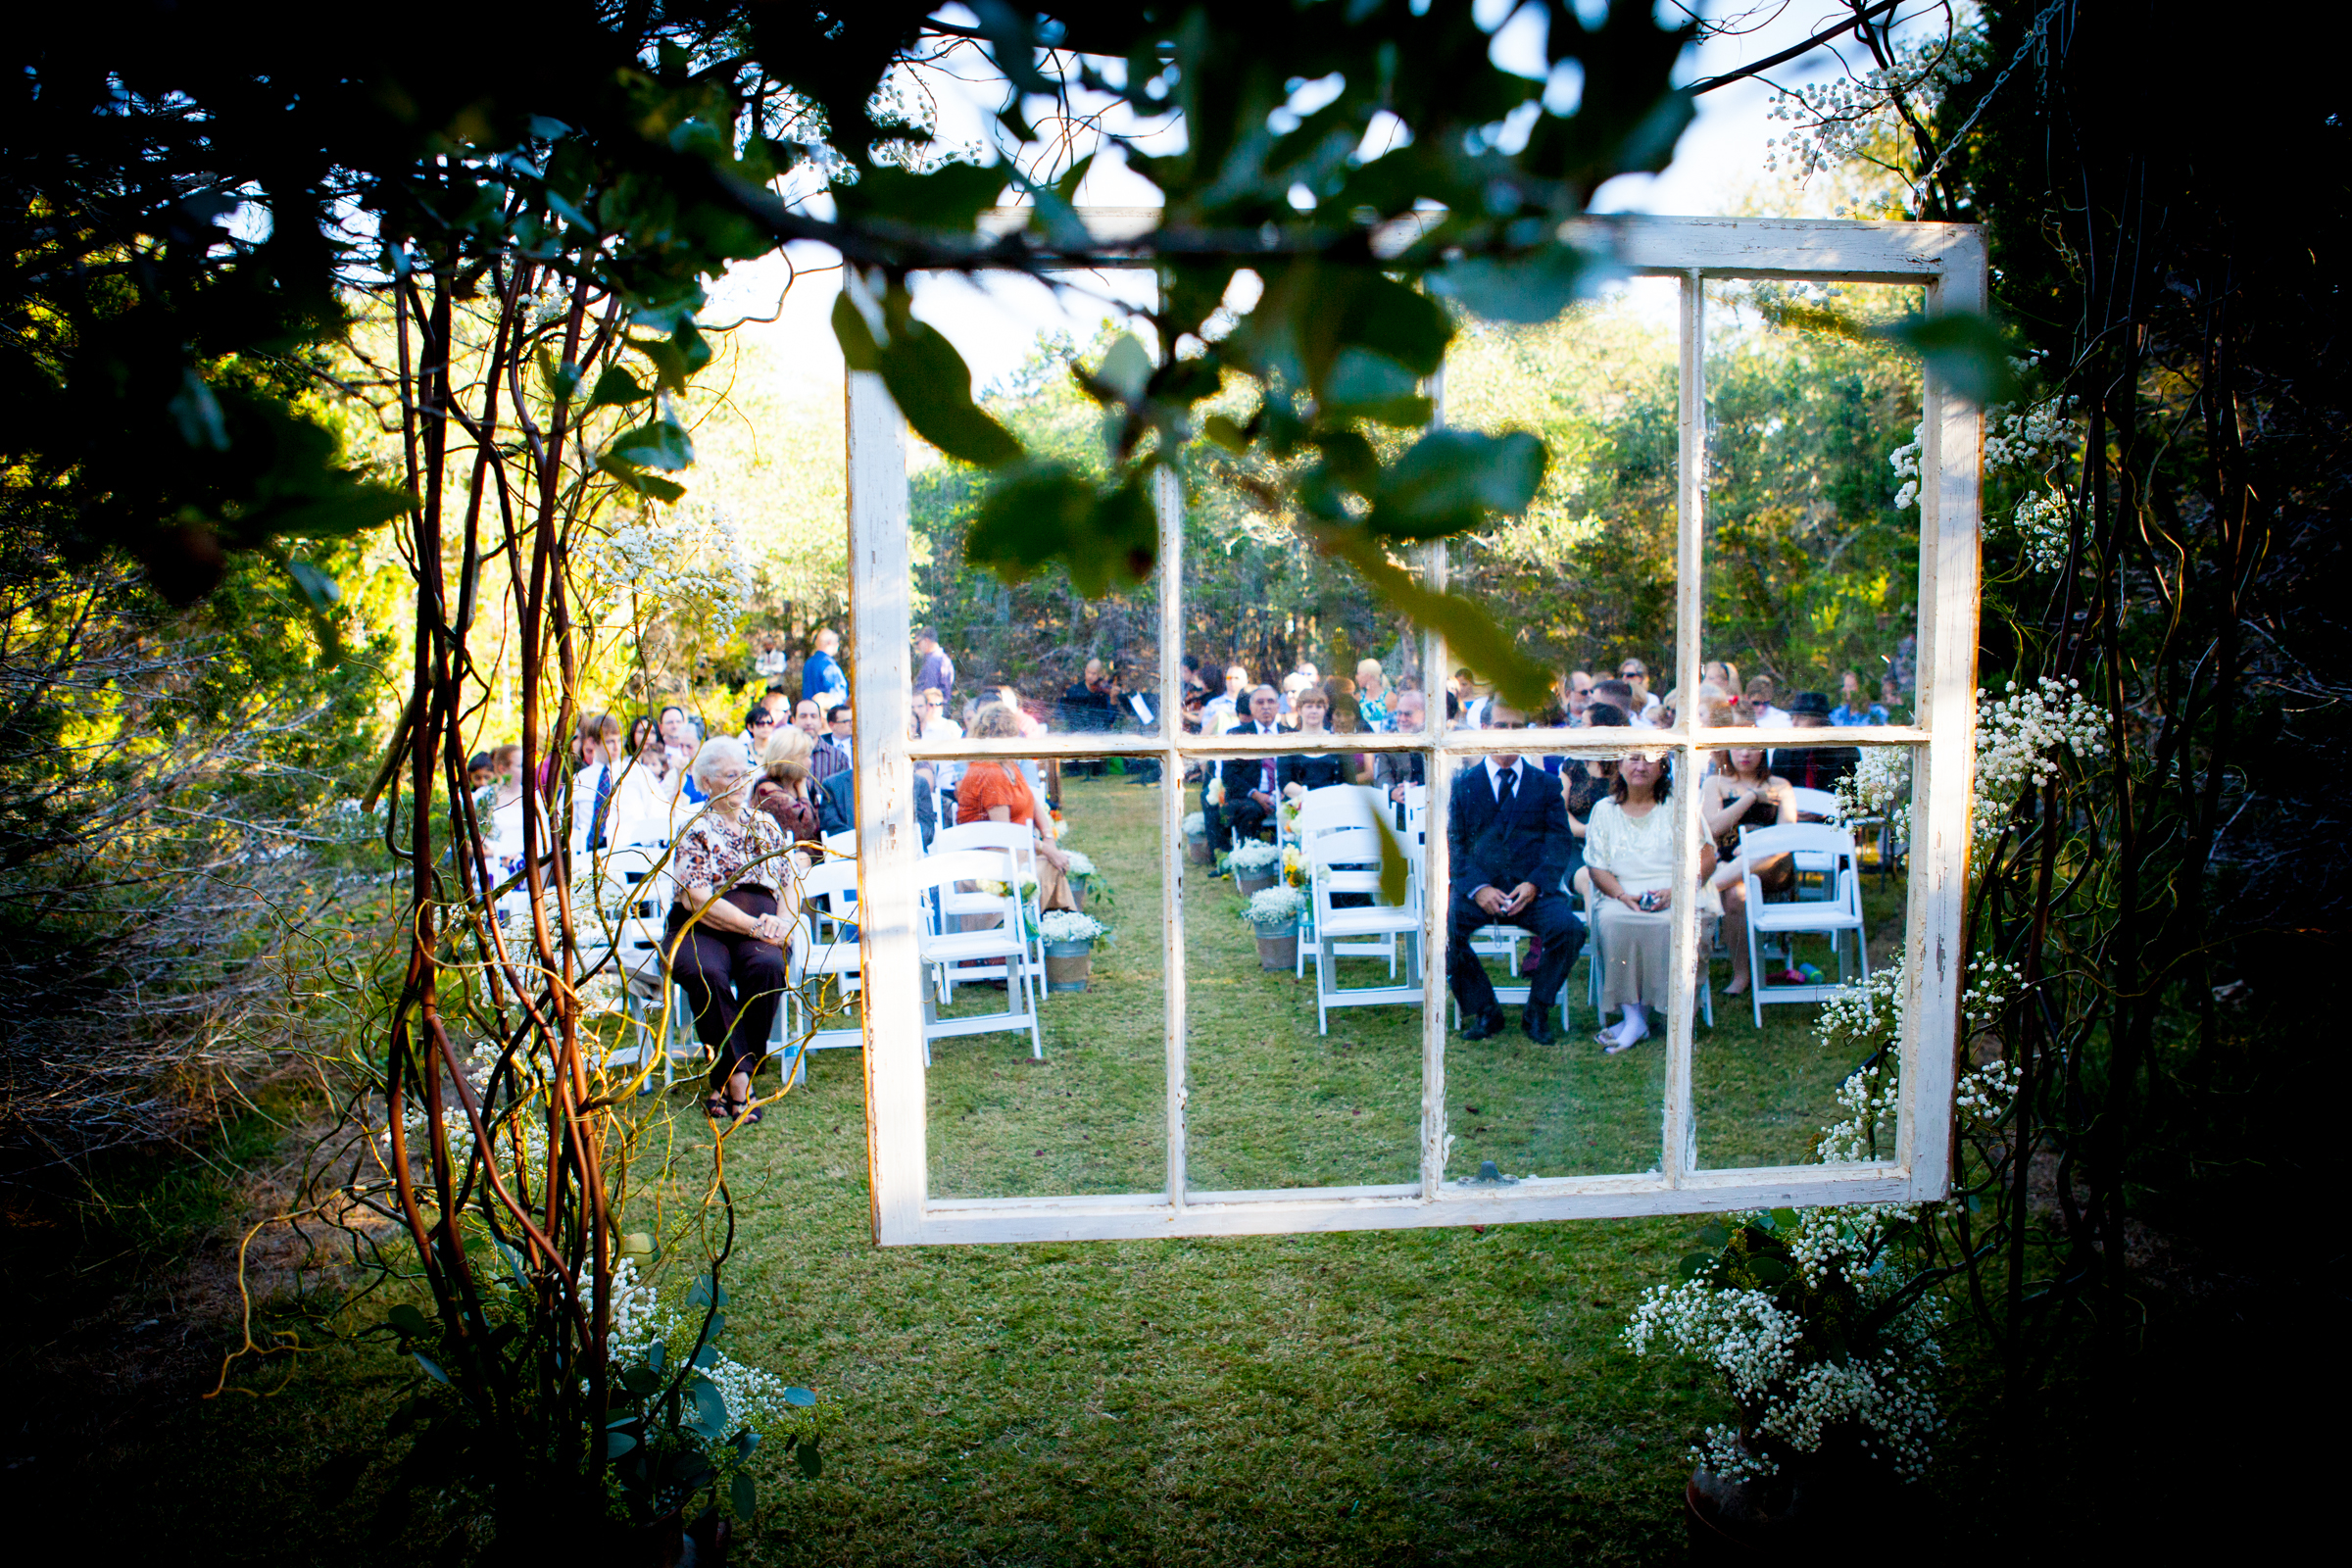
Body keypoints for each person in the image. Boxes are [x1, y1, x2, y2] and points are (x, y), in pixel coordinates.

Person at [668, 741, 798, 1125]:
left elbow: (789, 883)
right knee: (705, 972)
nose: (741, 782)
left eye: (745, 773)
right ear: (706, 782)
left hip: (760, 925)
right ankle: (741, 1080)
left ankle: (724, 1078)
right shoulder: (695, 827)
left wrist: (785, 925)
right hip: (702, 925)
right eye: (730, 775)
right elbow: (697, 898)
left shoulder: (764, 825)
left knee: (768, 967)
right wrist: (754, 925)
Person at [1446, 703, 1585, 1045]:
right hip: (1481, 893)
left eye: (1516, 726)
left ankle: (1537, 1010)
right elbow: (1455, 845)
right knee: (1442, 932)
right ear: (1485, 729)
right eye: (1500, 726)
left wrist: (1535, 884)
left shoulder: (1546, 785)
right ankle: (1485, 1010)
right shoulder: (1463, 785)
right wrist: (1478, 888)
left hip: (1532, 891)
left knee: (1569, 930)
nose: (1508, 734)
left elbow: (1558, 842)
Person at [1585, 752, 1718, 1054]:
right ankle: (1633, 1018)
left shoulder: (1678, 805)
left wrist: (1676, 890)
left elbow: (1707, 856)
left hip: (1676, 890)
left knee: (1669, 924)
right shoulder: (1603, 810)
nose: (1641, 766)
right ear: (1619, 765)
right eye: (1633, 759)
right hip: (1623, 893)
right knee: (1613, 920)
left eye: (1649, 760)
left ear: (1662, 768)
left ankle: (1650, 1019)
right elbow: (1596, 867)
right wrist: (1621, 895)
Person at [1701, 729, 1798, 995]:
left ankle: (1707, 888)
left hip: (1771, 864)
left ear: (1764, 751)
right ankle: (1741, 974)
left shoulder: (1781, 786)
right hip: (1726, 862)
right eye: (1739, 746)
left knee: (1756, 856)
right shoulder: (1715, 783)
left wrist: (1751, 849)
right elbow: (1712, 828)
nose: (1745, 753)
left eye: (1753, 747)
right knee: (1735, 893)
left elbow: (1785, 837)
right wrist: (1750, 798)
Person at [956, 704, 1077, 909]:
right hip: (989, 861)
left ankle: (1054, 926)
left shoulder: (1007, 765)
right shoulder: (990, 772)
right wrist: (1047, 850)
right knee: (1051, 864)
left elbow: (1032, 802)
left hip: (1013, 851)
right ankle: (1046, 927)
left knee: (1053, 861)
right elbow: (1006, 834)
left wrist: (1049, 839)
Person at [1214, 685, 1285, 846]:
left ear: (1278, 706)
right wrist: (1257, 795)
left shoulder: (1291, 733)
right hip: (1249, 796)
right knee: (1250, 811)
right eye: (1260, 702)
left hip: (1283, 794)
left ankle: (1289, 859)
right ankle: (1250, 861)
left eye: (1270, 701)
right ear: (1251, 708)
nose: (1266, 706)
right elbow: (1229, 776)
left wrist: (1283, 792)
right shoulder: (1236, 735)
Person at [1277, 686, 1361, 797]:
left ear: (1325, 710)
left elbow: (1350, 780)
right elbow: (1285, 783)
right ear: (1299, 710)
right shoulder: (1288, 744)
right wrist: (1313, 798)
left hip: (1334, 804)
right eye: (1309, 706)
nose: (1314, 711)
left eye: (1318, 706)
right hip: (1300, 806)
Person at [1770, 693, 1861, 793]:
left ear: (1822, 720)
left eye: (1802, 717)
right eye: (1793, 717)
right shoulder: (1783, 752)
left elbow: (1851, 795)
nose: (1794, 723)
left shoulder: (1846, 753)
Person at [752, 726, 823, 850]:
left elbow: (819, 825)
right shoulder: (766, 790)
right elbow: (805, 829)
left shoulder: (802, 783)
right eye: (805, 757)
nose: (810, 763)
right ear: (790, 759)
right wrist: (803, 793)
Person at [569, 711, 624, 853]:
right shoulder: (579, 780)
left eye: (619, 741)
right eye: (610, 742)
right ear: (593, 742)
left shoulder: (636, 773)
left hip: (627, 845)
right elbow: (568, 824)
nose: (616, 747)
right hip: (590, 849)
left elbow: (657, 812)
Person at [1059, 658, 1119, 776]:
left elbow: (1110, 718)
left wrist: (1113, 699)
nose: (1090, 676)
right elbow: (1070, 715)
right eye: (1088, 672)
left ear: (1100, 674)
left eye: (1094, 673)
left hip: (1099, 737)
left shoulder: (1103, 692)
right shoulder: (1074, 691)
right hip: (1079, 736)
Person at [1373, 691, 1428, 804]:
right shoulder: (1389, 741)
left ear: (1424, 715)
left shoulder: (1434, 739)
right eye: (1399, 713)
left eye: (1408, 714)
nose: (1402, 719)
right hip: (1402, 804)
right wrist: (1394, 791)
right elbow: (1382, 776)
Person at [802, 626, 848, 707]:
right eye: (837, 643)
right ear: (830, 642)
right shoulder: (828, 665)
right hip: (826, 713)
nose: (838, 646)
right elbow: (836, 695)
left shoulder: (809, 663)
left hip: (812, 711)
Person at [809, 699, 851, 783]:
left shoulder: (860, 744)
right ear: (832, 725)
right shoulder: (820, 744)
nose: (852, 724)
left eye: (853, 720)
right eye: (846, 721)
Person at [912, 626, 955, 706]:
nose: (918, 646)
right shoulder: (942, 657)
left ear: (927, 640)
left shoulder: (933, 660)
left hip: (933, 707)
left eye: (918, 643)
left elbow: (930, 691)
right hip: (940, 706)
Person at [1203, 663, 1249, 735]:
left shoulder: (1253, 704)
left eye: (1236, 678)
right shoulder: (1213, 704)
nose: (1232, 681)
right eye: (1229, 678)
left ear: (1245, 681)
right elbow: (1204, 733)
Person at [1617, 658, 1664, 724]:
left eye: (1630, 675)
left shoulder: (1651, 699)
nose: (1624, 678)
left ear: (1640, 678)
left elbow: (1647, 723)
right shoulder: (1617, 697)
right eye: (1622, 674)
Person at [1354, 659, 1391, 729]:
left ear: (1368, 675)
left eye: (1358, 673)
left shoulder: (1389, 697)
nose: (1357, 677)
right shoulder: (1358, 698)